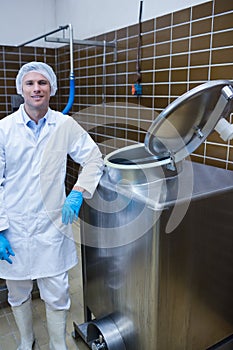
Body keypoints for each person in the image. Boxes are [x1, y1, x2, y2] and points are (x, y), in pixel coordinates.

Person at [0, 61, 104, 350]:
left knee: (57, 290)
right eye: (30, 83)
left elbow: (94, 159)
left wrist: (78, 192)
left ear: (52, 89)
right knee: (18, 289)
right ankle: (26, 340)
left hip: (52, 224)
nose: (36, 89)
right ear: (21, 88)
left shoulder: (65, 125)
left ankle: (57, 344)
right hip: (14, 226)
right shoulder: (4, 129)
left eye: (42, 83)